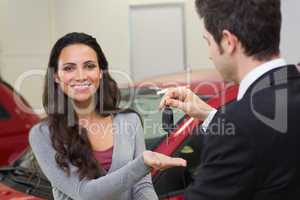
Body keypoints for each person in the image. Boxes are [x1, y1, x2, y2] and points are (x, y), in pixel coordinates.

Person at [160, 0, 300, 199]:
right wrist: (210, 115)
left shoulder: (238, 127)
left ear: (228, 41)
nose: (209, 55)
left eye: (208, 42)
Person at [29, 32, 186, 200]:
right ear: (56, 76)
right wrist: (143, 164)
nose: (81, 76)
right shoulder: (43, 133)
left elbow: (141, 186)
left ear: (101, 72)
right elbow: (84, 193)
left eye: (89, 66)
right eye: (69, 68)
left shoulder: (129, 121)